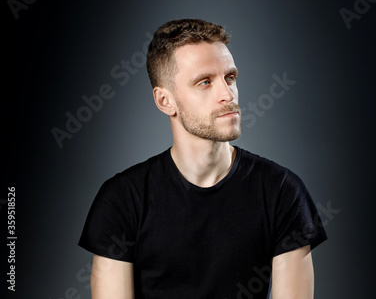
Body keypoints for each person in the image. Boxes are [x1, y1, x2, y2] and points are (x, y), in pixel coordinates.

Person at [78, 18, 327, 298]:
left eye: (230, 78)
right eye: (204, 82)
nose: (227, 94)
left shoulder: (282, 191)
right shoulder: (123, 199)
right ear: (165, 101)